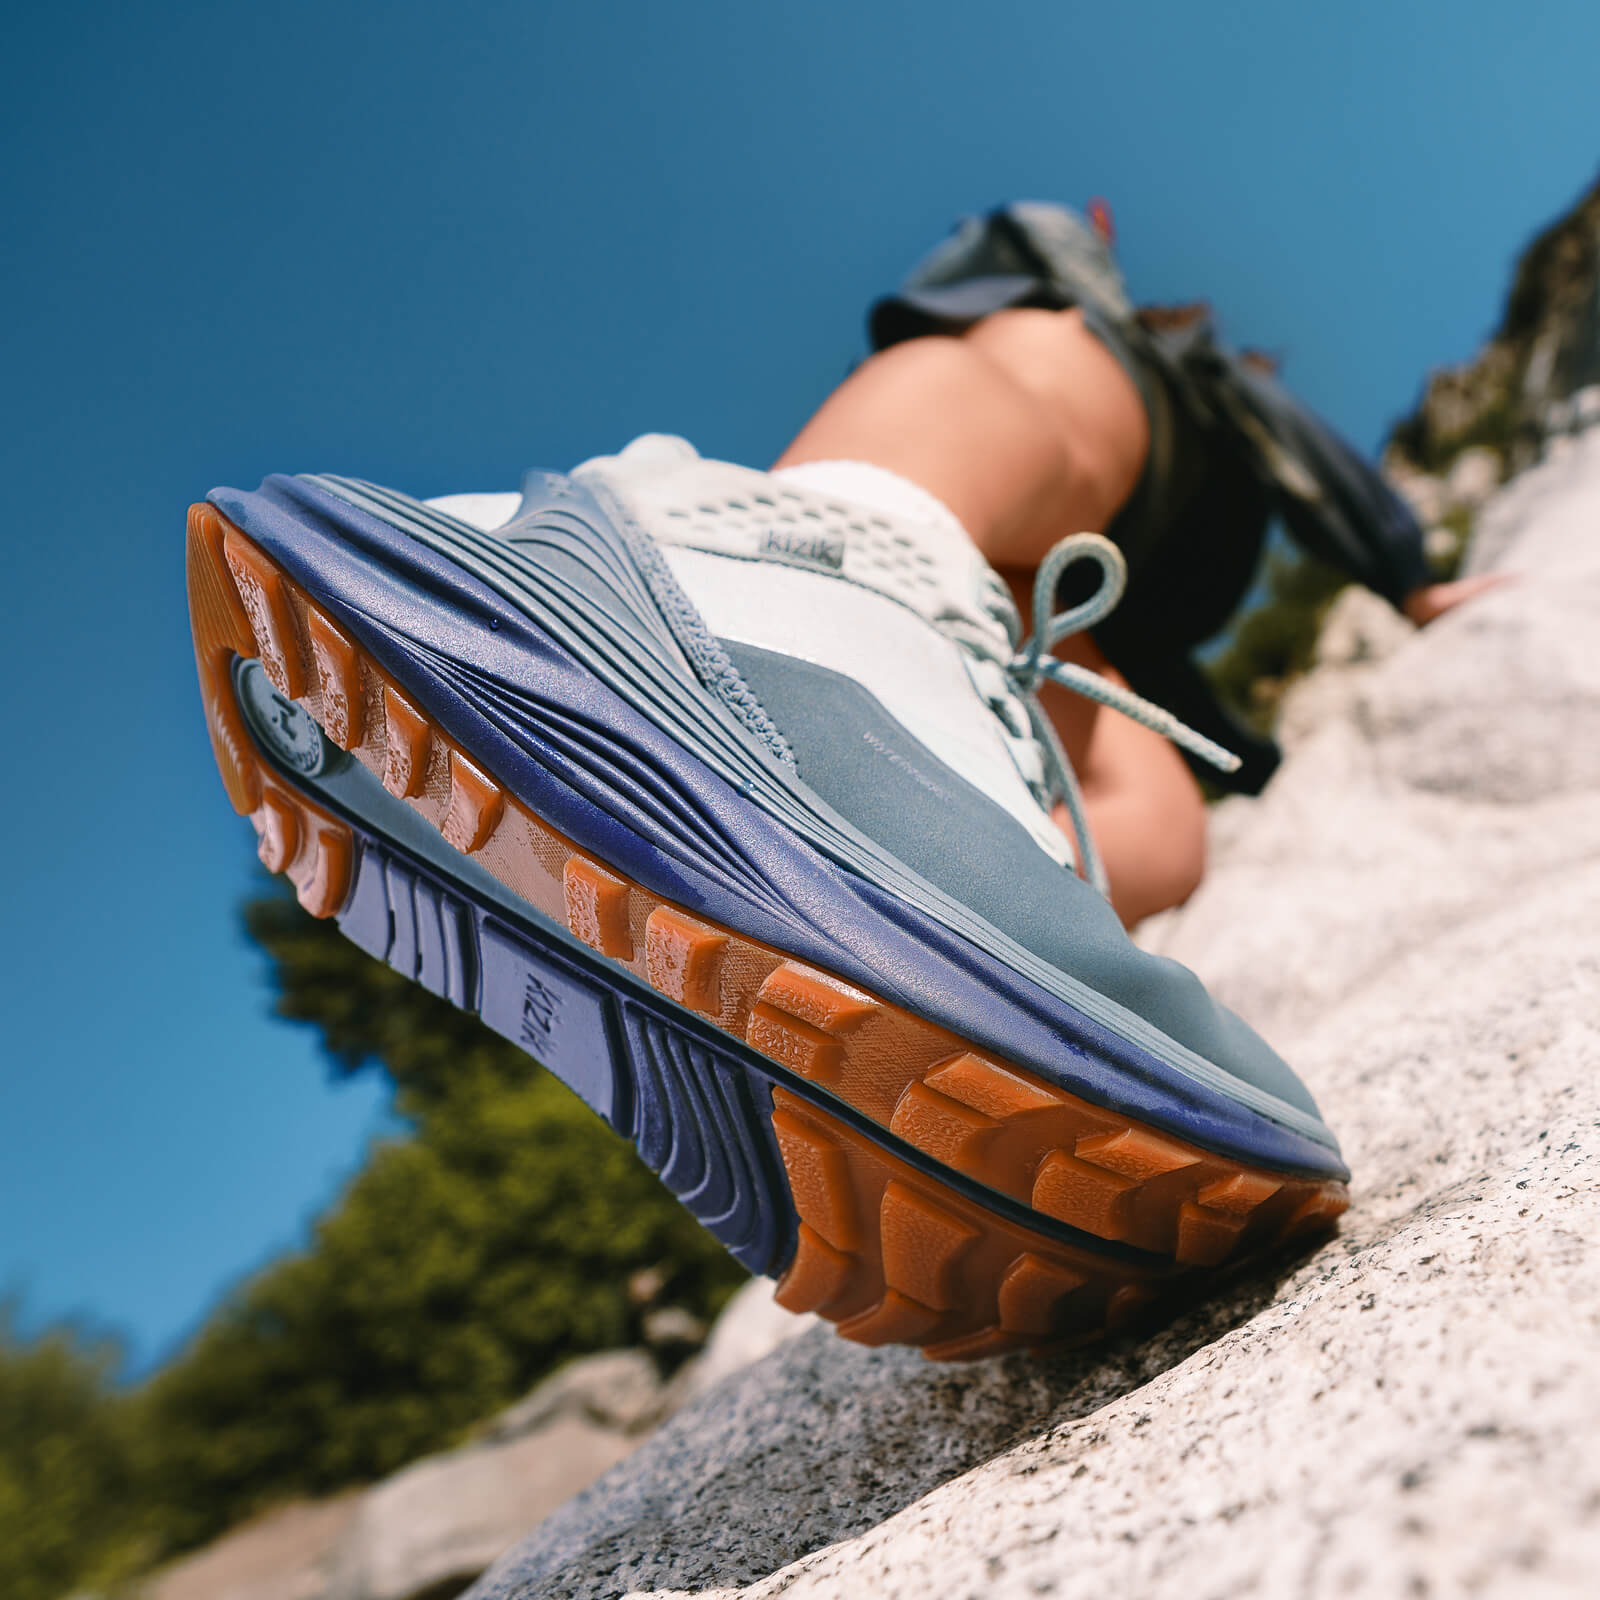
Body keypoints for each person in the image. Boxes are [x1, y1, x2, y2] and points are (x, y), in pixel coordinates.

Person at [186, 200, 1487, 1355]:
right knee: (1053, 380)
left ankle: (907, 925)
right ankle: (751, 575)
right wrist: (1407, 567)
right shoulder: (1109, 328)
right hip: (1019, 465)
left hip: (1037, 615)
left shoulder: (1179, 458)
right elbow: (1292, 443)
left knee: (1158, 832)